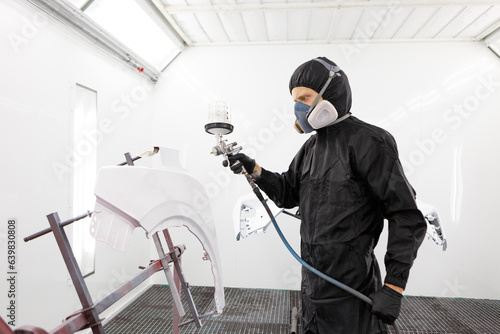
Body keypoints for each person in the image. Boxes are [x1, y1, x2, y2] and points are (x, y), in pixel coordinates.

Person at [227, 57, 427, 333]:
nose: (299, 107)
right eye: (295, 100)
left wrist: (394, 285)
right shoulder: (311, 147)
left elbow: (406, 215)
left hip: (352, 289)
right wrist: (255, 169)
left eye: (306, 97)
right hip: (312, 285)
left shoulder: (370, 141)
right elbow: (288, 193)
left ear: (331, 93)